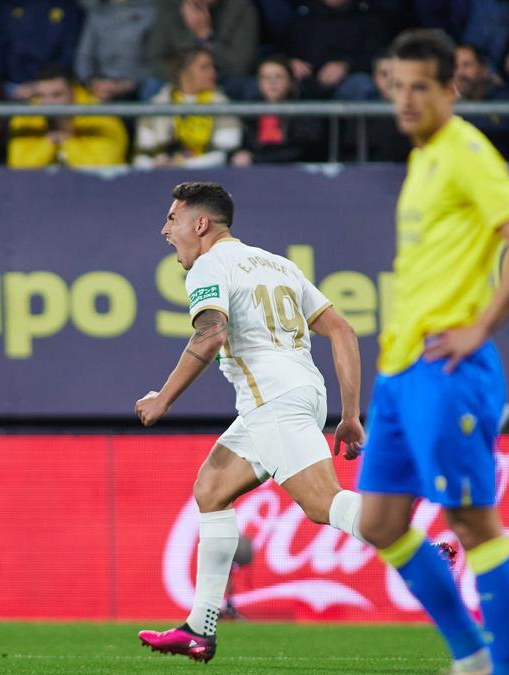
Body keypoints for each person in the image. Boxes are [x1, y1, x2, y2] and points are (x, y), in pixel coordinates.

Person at [357, 29, 509, 675]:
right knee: (381, 521)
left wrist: (481, 327)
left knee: (474, 524)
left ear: (450, 89)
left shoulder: (466, 150)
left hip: (447, 366)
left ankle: (507, 669)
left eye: (420, 87)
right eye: (397, 85)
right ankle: (471, 657)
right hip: (398, 369)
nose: (405, 100)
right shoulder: (423, 157)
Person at [135, 181, 368, 662]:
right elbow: (342, 330)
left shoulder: (209, 265)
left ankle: (422, 547)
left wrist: (163, 399)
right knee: (212, 488)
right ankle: (199, 628)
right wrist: (349, 415)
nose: (165, 230)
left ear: (201, 224)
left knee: (324, 505)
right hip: (295, 393)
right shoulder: (276, 264)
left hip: (274, 400)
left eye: (173, 219)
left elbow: (210, 334)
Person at [133, 46, 241, 168]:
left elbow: (225, 155)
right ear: (182, 72)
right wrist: (155, 164)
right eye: (204, 67)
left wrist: (183, 165)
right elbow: (141, 156)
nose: (213, 73)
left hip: (208, 179)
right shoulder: (156, 106)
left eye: (213, 67)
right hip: (161, 176)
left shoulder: (223, 105)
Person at [8, 65, 128, 168]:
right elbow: (18, 166)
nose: (48, 103)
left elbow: (105, 168)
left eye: (57, 95)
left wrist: (68, 143)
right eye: (42, 96)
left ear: (73, 92)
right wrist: (49, 143)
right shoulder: (26, 117)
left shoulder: (100, 116)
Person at [232, 56, 324, 165]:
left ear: (290, 81)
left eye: (278, 77)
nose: (272, 82)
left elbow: (303, 151)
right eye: (266, 77)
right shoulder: (250, 110)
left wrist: (257, 159)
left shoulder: (304, 110)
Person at [73, 0, 154, 102]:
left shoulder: (151, 13)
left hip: (140, 86)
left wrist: (128, 84)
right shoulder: (97, 13)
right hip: (101, 84)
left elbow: (157, 61)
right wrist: (91, 82)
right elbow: (84, 57)